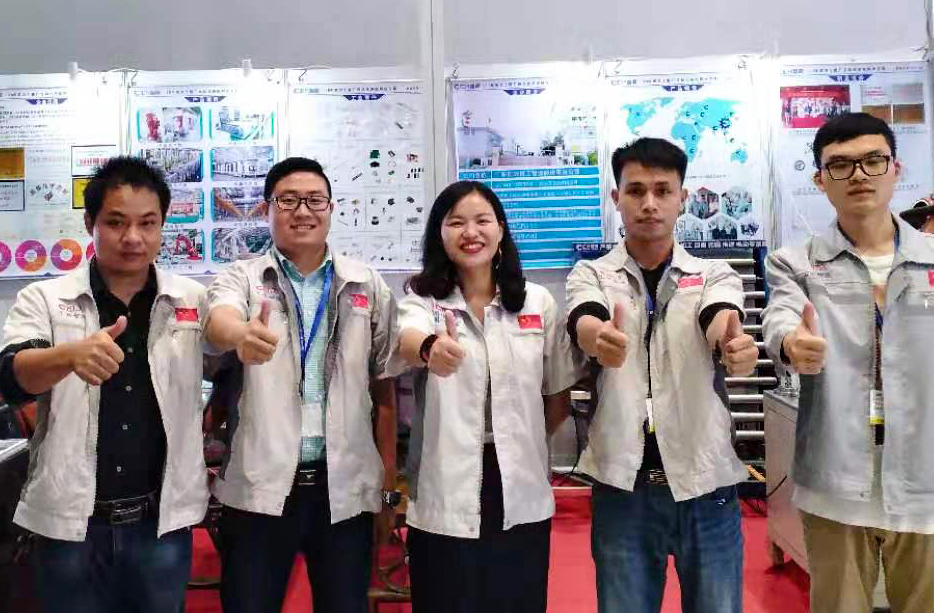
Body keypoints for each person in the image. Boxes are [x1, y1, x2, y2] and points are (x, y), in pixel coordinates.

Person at [762, 112, 934, 613]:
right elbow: (780, 317)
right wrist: (790, 343)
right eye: (841, 165)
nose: (859, 175)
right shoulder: (797, 263)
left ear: (895, 169)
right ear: (820, 179)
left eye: (873, 160)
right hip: (834, 488)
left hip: (930, 487)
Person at [0, 156, 208, 613]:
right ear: (90, 223)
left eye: (148, 223)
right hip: (72, 527)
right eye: (116, 222)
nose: (133, 238)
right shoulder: (46, 299)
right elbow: (12, 378)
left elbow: (225, 369)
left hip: (160, 523)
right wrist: (69, 356)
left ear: (163, 225)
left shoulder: (191, 299)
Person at [565, 137, 759, 613]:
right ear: (617, 199)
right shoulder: (591, 273)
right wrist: (598, 337)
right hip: (622, 486)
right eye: (635, 191)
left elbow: (719, 315)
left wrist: (731, 344)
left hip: (706, 482)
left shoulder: (714, 273)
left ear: (682, 198)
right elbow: (585, 317)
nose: (649, 203)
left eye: (662, 190)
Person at [204, 156, 402, 613]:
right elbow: (218, 320)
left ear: (331, 208)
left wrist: (388, 485)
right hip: (259, 488)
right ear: (266, 209)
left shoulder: (365, 284)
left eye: (314, 200)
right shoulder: (242, 278)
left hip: (344, 488)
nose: (302, 211)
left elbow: (384, 388)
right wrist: (241, 335)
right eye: (288, 200)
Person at [395, 180, 578, 613]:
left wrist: (521, 440)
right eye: (456, 222)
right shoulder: (423, 299)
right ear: (440, 234)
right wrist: (430, 348)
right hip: (445, 479)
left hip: (519, 481)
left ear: (500, 229)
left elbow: (557, 395)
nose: (470, 232)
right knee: (446, 599)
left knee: (516, 599)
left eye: (482, 220)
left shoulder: (536, 302)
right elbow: (408, 337)